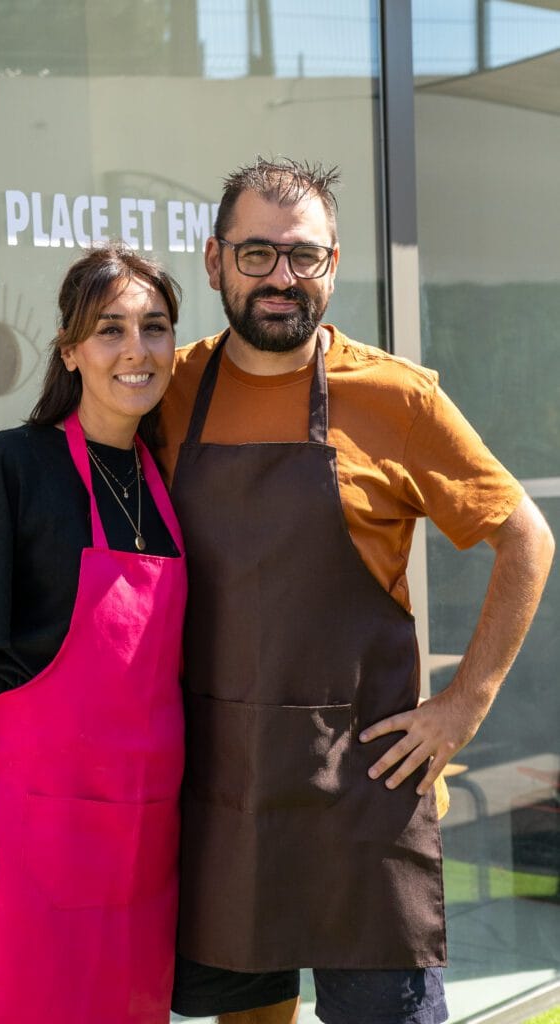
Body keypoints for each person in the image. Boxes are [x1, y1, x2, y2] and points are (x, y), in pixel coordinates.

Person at [156, 158, 555, 1024]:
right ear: (215, 261)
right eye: (256, 253)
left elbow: (526, 538)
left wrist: (463, 704)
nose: (280, 277)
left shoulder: (396, 398)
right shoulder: (166, 390)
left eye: (303, 255)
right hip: (224, 784)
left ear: (332, 265)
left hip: (367, 790)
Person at [0, 243, 187, 1024]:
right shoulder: (15, 466)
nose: (136, 349)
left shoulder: (169, 479)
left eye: (154, 327)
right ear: (70, 351)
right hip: (25, 837)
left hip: (140, 846)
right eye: (110, 330)